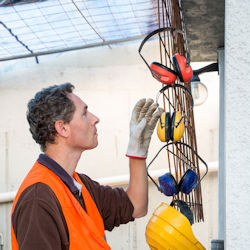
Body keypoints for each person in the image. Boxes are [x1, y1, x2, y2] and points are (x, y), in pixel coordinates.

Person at [11, 83, 162, 250]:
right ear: (63, 128)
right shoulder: (38, 198)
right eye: (84, 113)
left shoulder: (80, 186)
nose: (95, 118)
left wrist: (137, 151)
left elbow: (136, 205)